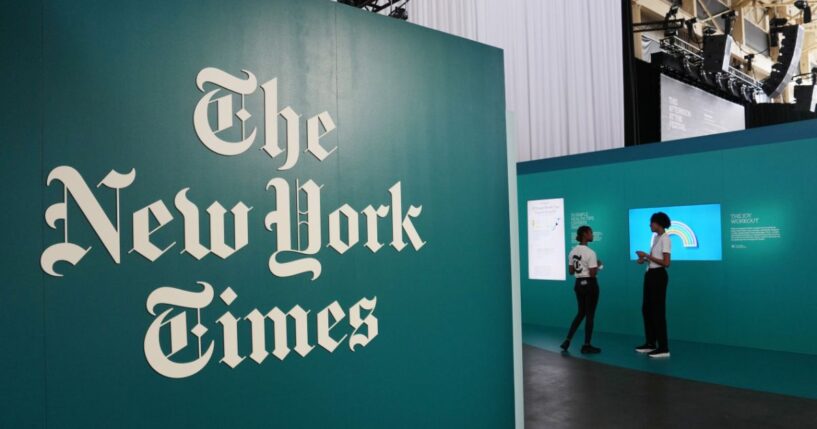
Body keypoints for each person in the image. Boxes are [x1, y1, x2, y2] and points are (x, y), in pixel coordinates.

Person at [635, 212, 672, 358]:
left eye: (652, 222)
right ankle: (650, 343)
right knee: (647, 309)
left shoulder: (665, 239)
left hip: (658, 276)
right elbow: (656, 259)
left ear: (659, 223)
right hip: (650, 274)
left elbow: (666, 263)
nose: (650, 225)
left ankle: (663, 348)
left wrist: (647, 255)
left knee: (658, 311)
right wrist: (644, 259)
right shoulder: (656, 238)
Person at [560, 226, 602, 354]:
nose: (592, 235)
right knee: (590, 315)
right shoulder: (591, 253)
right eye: (591, 233)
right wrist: (599, 265)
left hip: (578, 284)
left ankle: (567, 340)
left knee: (581, 313)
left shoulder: (572, 252)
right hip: (590, 285)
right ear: (585, 234)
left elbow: (571, 271)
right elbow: (593, 273)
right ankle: (586, 345)